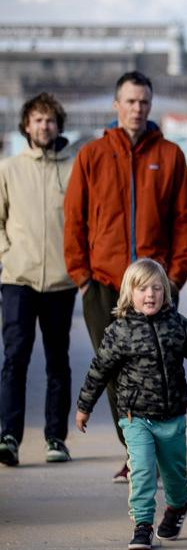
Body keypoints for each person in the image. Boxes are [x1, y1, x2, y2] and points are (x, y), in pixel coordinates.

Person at [64, 70, 187, 483]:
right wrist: (83, 278)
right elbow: (74, 221)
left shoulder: (171, 155)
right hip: (104, 285)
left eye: (143, 101)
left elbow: (185, 223)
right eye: (130, 101)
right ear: (116, 105)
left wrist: (173, 279)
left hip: (155, 286)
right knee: (113, 372)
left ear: (151, 105)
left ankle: (151, 452)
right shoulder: (92, 155)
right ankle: (136, 453)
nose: (137, 109)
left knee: (158, 369)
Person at [75, 258, 187, 550]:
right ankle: (142, 525)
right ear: (129, 294)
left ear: (166, 292)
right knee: (143, 471)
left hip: (172, 418)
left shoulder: (176, 325)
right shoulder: (119, 331)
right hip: (134, 417)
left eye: (156, 288)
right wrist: (84, 407)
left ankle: (176, 508)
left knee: (175, 476)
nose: (150, 294)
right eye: (142, 289)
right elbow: (98, 371)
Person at [0, 93, 77, 467]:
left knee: (57, 362)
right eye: (37, 120)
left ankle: (55, 438)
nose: (44, 126)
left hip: (62, 282)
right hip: (18, 279)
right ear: (26, 126)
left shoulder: (74, 168)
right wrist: (7, 256)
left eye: (50, 120)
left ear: (58, 125)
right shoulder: (8, 169)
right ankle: (9, 436)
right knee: (15, 359)